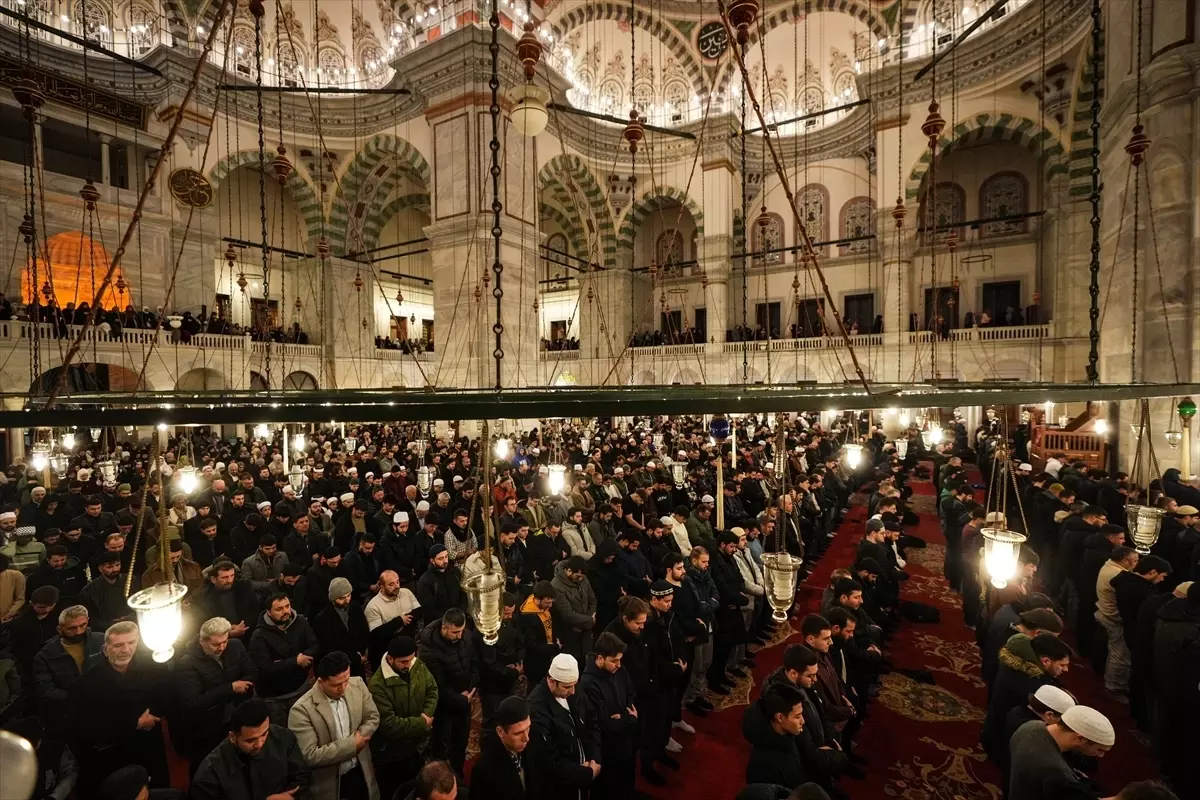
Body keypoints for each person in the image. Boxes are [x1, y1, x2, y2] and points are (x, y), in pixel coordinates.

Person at [67, 621, 171, 795]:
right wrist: (134, 724)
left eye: (131, 643)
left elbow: (167, 699)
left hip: (148, 748)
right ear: (105, 648)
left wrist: (154, 716)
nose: (126, 650)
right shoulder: (85, 685)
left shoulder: (154, 669)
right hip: (111, 757)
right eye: (118, 645)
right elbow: (84, 730)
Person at [288, 650, 381, 800]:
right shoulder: (302, 710)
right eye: (336, 685)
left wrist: (362, 735)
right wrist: (352, 745)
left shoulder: (357, 684)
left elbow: (372, 716)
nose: (343, 688)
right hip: (329, 783)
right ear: (320, 682)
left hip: (361, 771)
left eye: (346, 681)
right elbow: (310, 755)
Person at [176, 616, 258, 778]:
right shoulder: (187, 663)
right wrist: (231, 688)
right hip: (208, 726)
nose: (221, 647)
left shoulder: (235, 645)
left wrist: (243, 686)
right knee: (209, 765)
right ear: (202, 641)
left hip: (236, 714)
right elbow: (194, 702)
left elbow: (252, 671)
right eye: (215, 644)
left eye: (224, 642)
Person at [190, 698, 312, 800]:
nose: (259, 744)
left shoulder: (283, 737)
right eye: (250, 740)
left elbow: (300, 776)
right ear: (232, 737)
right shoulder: (210, 773)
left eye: (264, 734)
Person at [368, 635, 439, 800]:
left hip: (418, 746)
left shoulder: (417, 665)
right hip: (393, 754)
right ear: (391, 659)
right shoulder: (377, 685)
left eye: (410, 660)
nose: (408, 665)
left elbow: (432, 690)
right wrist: (423, 722)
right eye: (403, 662)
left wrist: (426, 714)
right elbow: (390, 725)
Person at [527, 652, 600, 799]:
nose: (573, 692)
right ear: (552, 681)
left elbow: (592, 723)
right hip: (559, 788)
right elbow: (548, 761)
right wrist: (586, 774)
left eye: (575, 685)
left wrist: (595, 757)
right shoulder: (536, 709)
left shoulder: (572, 688)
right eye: (567, 687)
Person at [1007, 705, 1114, 800]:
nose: (1101, 755)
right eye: (1100, 750)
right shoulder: (1057, 772)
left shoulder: (1030, 726)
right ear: (1080, 739)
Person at [578, 631, 639, 799]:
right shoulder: (588, 683)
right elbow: (603, 724)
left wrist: (624, 717)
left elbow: (631, 694)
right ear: (600, 658)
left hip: (625, 742)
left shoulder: (619, 670)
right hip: (607, 750)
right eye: (614, 661)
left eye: (620, 660)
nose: (619, 665)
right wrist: (630, 719)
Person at [417, 608, 477, 775]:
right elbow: (437, 686)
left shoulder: (466, 636)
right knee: (442, 747)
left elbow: (474, 662)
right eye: (455, 632)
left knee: (461, 742)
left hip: (465, 698)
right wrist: (461, 698)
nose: (459, 636)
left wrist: (471, 688)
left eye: (462, 631)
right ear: (444, 627)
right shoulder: (429, 650)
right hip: (443, 706)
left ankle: (457, 775)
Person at [31, 604, 105, 733]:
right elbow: (46, 689)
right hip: (69, 714)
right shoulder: (46, 655)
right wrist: (77, 699)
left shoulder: (102, 641)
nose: (79, 631)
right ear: (60, 629)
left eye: (82, 625)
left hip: (105, 705)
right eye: (72, 628)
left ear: (87, 620)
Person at [249, 593, 321, 724]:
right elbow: (265, 668)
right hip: (274, 697)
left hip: (300, 686)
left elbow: (313, 644)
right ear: (269, 613)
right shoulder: (259, 635)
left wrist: (303, 657)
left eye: (287, 606)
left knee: (305, 724)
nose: (285, 611)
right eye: (279, 609)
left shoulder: (300, 621)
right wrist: (296, 661)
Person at [469, 695, 538, 800]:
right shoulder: (484, 770)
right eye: (518, 733)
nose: (526, 738)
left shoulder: (535, 746)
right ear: (500, 732)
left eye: (528, 728)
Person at [743, 682, 810, 788]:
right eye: (797, 716)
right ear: (780, 718)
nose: (803, 721)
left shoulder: (788, 733)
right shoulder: (763, 767)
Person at [312, 577, 371, 678]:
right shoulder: (322, 619)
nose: (347, 600)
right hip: (338, 667)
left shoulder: (355, 606)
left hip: (357, 662)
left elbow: (364, 630)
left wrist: (361, 653)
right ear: (333, 598)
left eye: (349, 595)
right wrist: (354, 657)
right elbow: (329, 648)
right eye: (342, 598)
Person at [552, 555, 597, 665]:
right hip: (570, 632)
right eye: (577, 576)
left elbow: (592, 600)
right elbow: (567, 614)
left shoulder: (583, 578)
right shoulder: (557, 585)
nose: (581, 579)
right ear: (568, 571)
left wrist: (590, 616)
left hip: (586, 630)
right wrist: (589, 620)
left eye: (582, 576)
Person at [416, 545, 465, 625]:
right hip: (439, 622)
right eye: (440, 558)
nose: (445, 561)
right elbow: (428, 610)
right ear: (432, 560)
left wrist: (461, 613)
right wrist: (449, 619)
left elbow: (462, 594)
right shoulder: (425, 581)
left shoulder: (455, 572)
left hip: (459, 617)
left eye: (446, 557)